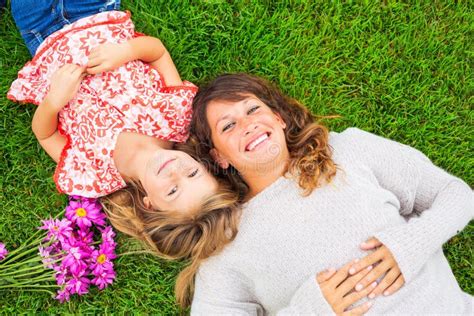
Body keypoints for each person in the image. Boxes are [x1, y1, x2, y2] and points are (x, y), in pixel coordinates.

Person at [183, 73, 473, 314]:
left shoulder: (348, 149)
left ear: (279, 118)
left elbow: (457, 194)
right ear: (219, 156)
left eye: (253, 109)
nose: (248, 125)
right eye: (229, 126)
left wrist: (412, 243)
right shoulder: (225, 245)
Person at [6, 1, 225, 238]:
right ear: (203, 165)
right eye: (193, 174)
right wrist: (127, 51)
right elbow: (157, 52)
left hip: (41, 35)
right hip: (94, 10)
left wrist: (54, 101)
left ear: (149, 205)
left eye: (173, 191)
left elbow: (45, 134)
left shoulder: (94, 175)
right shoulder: (177, 118)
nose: (176, 173)